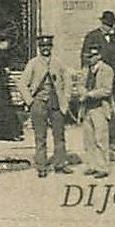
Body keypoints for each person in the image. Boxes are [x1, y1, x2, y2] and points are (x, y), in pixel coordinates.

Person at [20, 35, 71, 177]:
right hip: (39, 103)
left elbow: (67, 81)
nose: (45, 49)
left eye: (48, 46)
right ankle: (41, 166)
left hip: (56, 104)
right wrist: (30, 101)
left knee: (59, 135)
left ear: (51, 47)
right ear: (39, 48)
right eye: (43, 46)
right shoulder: (33, 63)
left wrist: (66, 97)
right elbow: (22, 84)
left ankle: (60, 163)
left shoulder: (58, 63)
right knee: (40, 136)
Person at [73, 44, 115, 179]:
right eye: (88, 57)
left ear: (99, 56)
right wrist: (82, 92)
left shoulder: (106, 70)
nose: (89, 59)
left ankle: (103, 167)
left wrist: (89, 94)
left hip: (100, 108)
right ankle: (92, 165)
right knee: (88, 139)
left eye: (92, 56)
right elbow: (79, 84)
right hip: (87, 108)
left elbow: (107, 90)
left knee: (101, 139)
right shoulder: (86, 70)